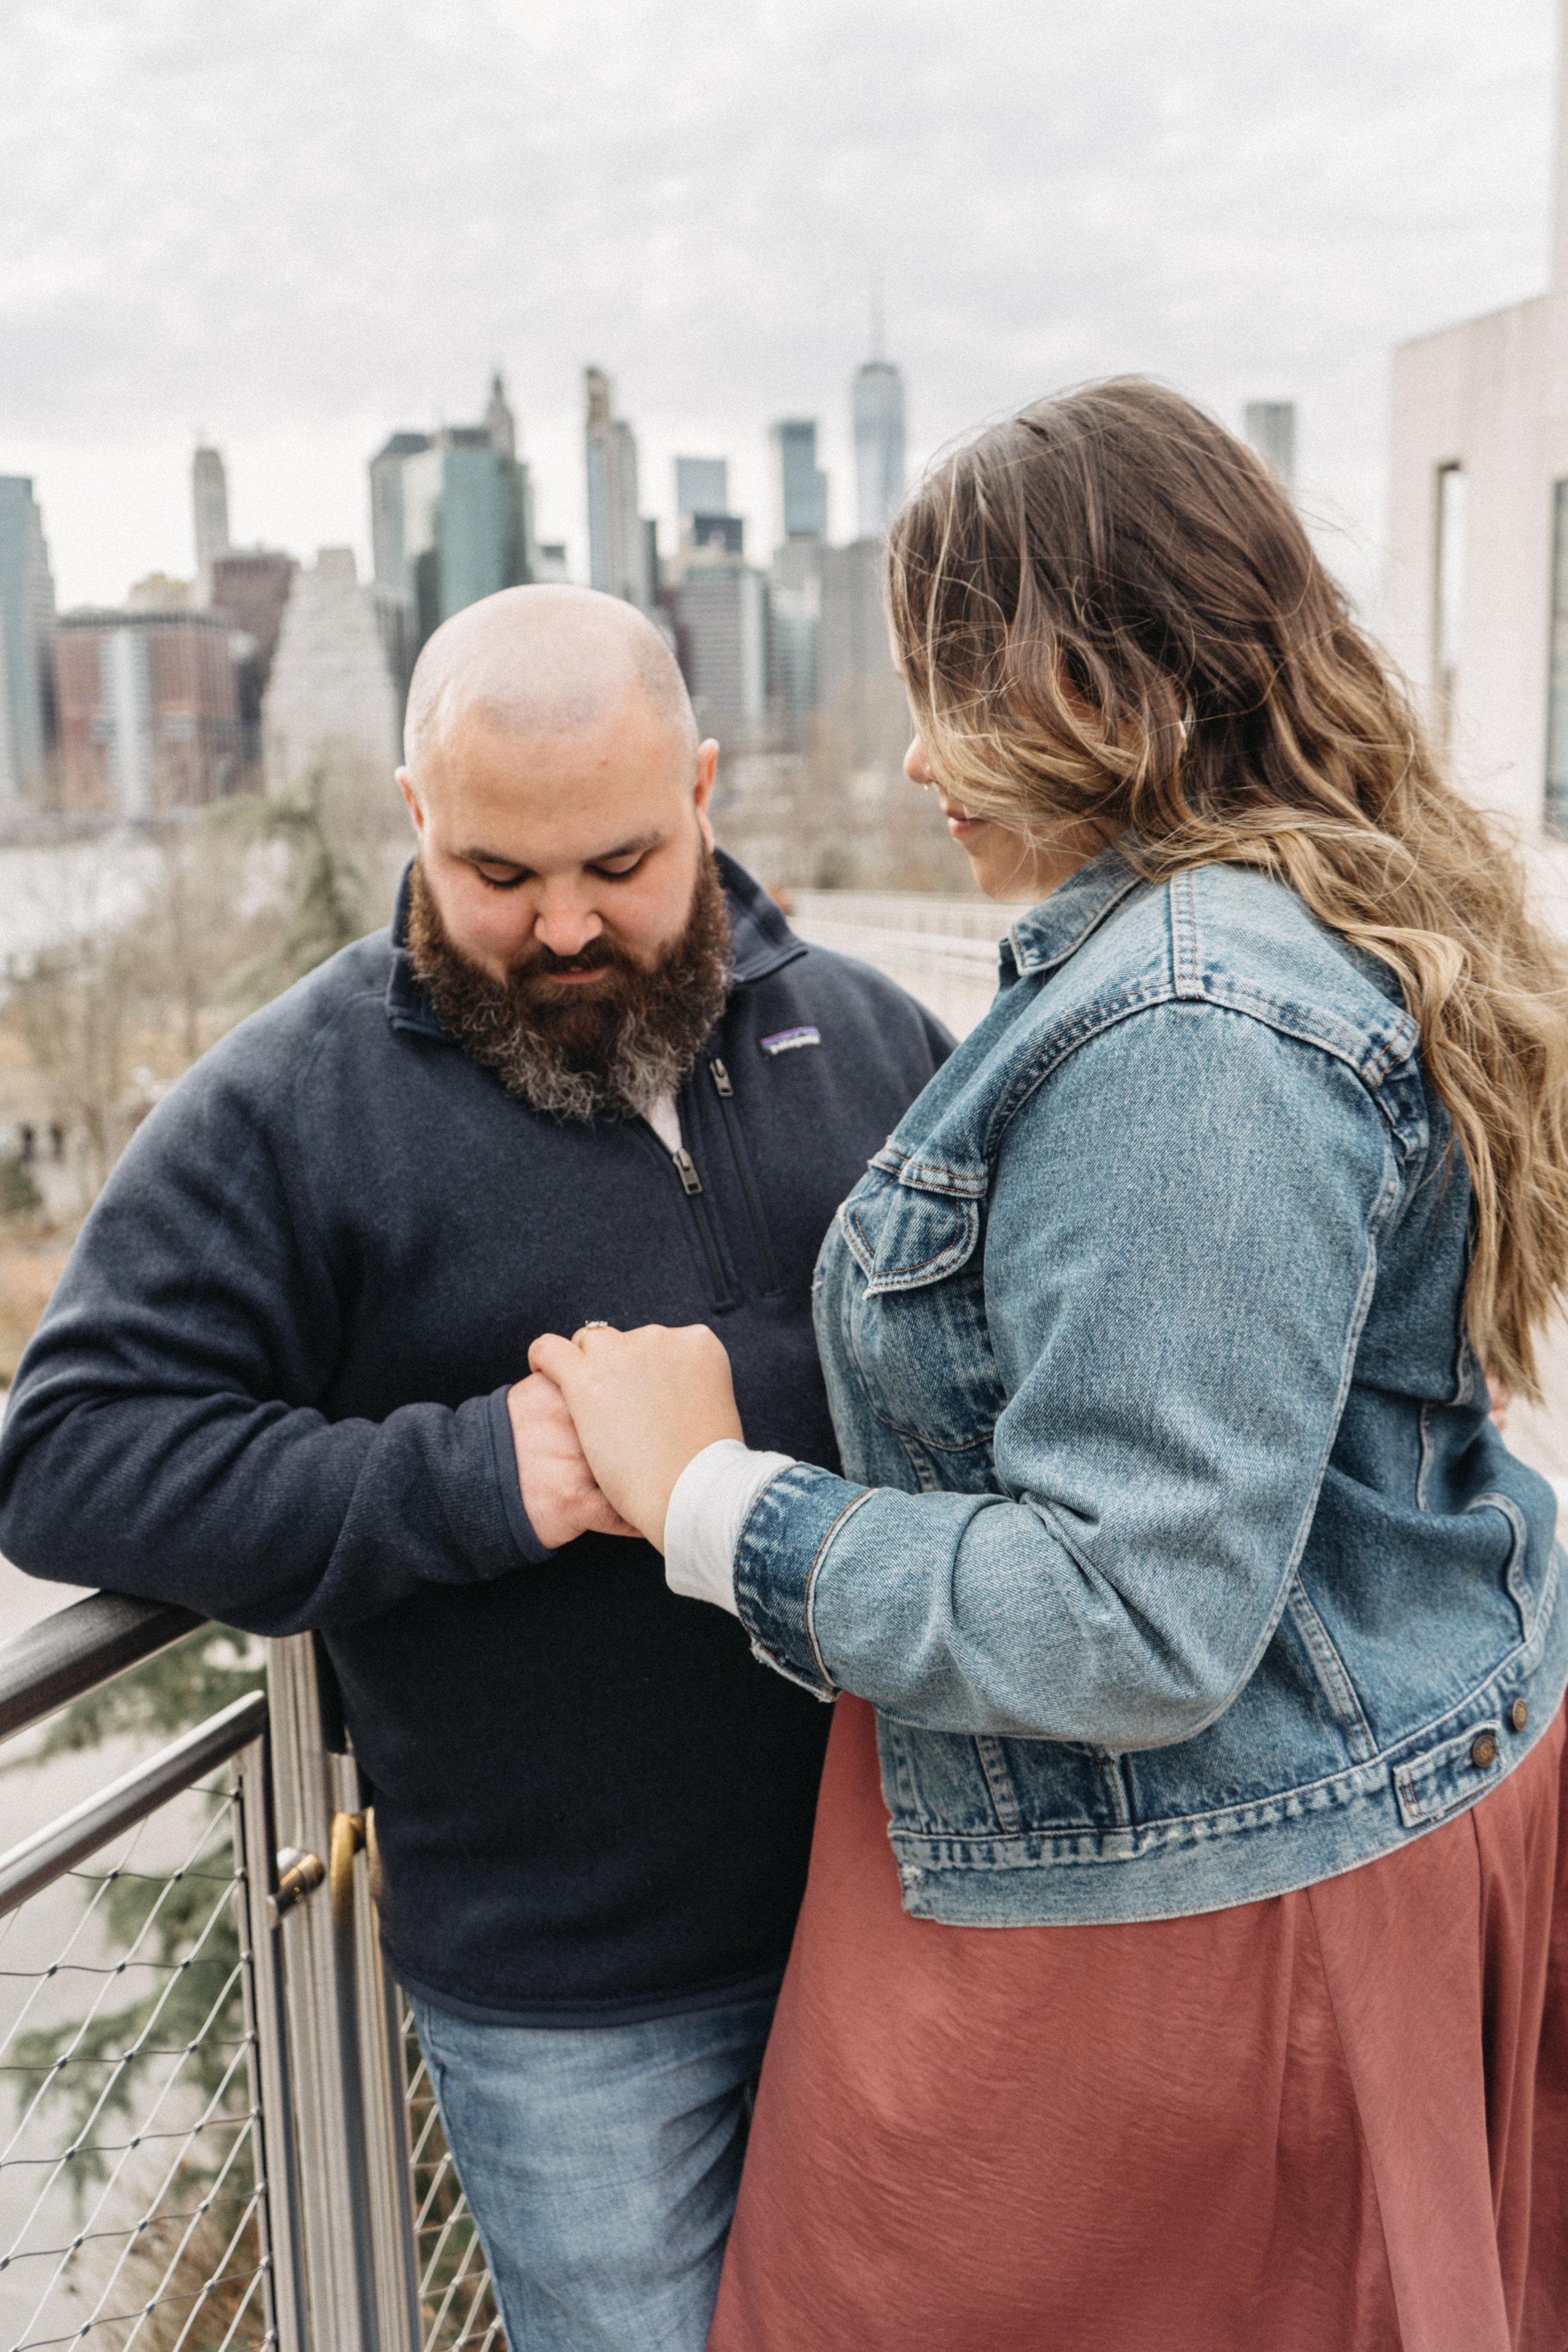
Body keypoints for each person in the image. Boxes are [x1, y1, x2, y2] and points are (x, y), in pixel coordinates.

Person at [530, 383, 1568, 2350]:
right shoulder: (1250, 943)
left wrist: (706, 1501)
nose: (917, 755)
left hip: (1207, 1915)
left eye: (951, 690)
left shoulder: (1194, 1025)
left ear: (1093, 689)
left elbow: (1136, 1617)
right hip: (1306, 1838)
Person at [0, 586, 951, 2352]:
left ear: (706, 787)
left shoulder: (883, 1040)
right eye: (499, 875)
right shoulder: (289, 1105)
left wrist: (747, 1414)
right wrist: (483, 1481)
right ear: (413, 815)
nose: (569, 922)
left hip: (908, 1914)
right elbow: (68, 1454)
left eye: (619, 859)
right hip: (575, 2002)